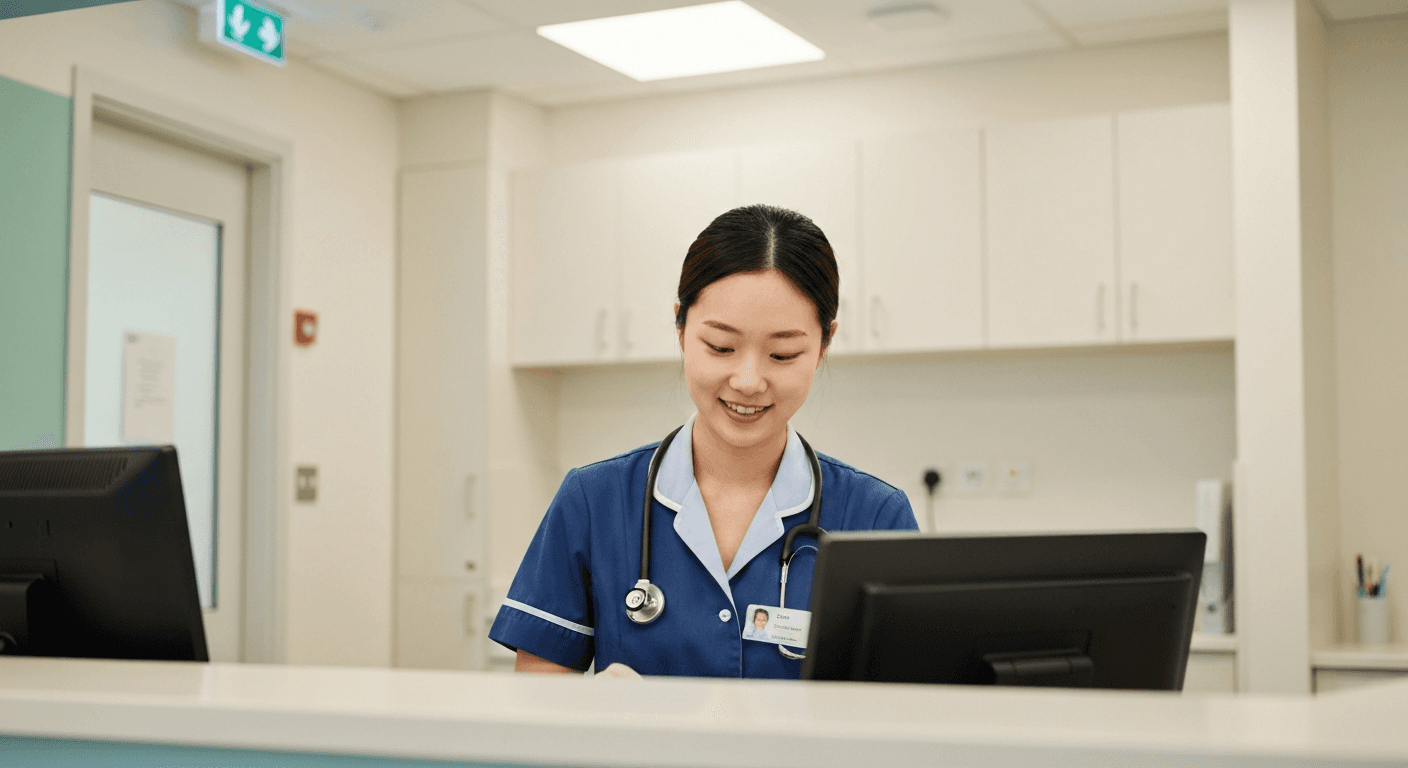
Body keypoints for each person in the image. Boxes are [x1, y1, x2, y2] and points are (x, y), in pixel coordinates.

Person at [488, 204, 919, 678]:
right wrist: (592, 705)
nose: (748, 380)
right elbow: (537, 703)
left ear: (824, 344)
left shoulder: (876, 517)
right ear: (680, 327)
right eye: (721, 347)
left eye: (782, 353)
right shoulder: (593, 501)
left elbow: (906, 713)